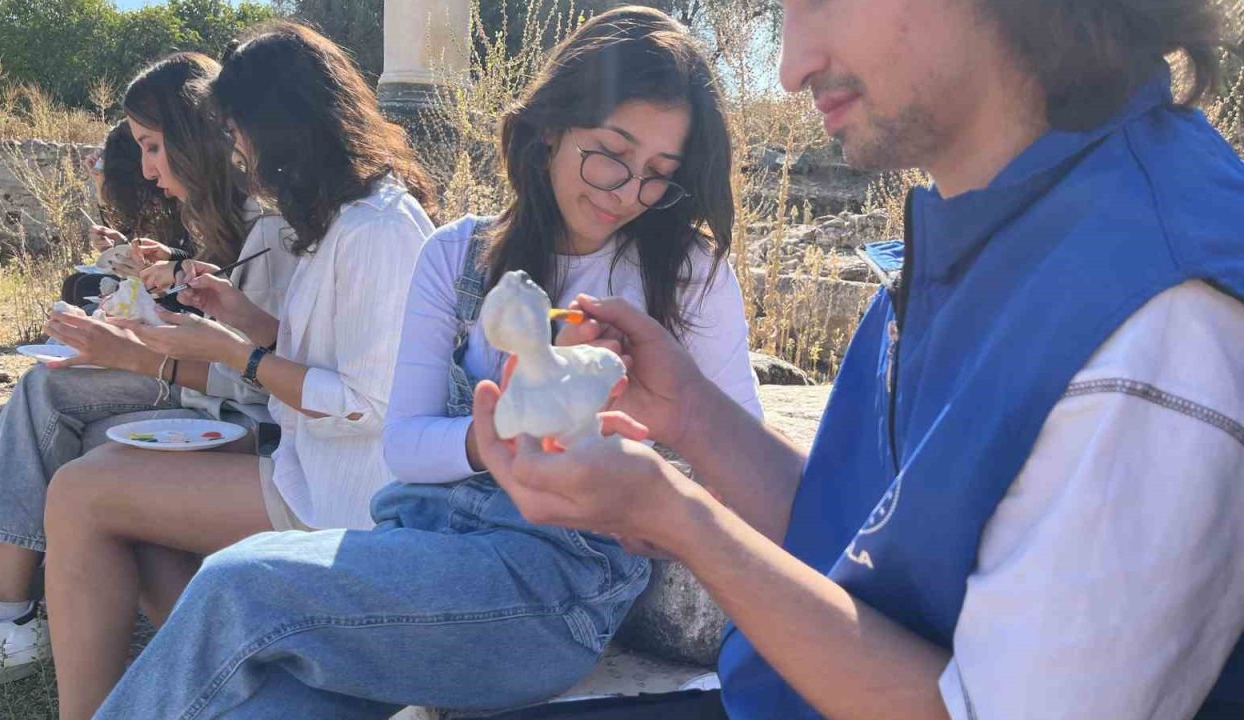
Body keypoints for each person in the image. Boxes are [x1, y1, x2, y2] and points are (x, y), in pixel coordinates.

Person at [465, 0, 1244, 718]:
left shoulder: (1160, 313)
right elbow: (862, 538)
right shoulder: (978, 232)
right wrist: (693, 414)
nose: (790, 66)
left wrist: (678, 516)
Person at [90, 8, 761, 718]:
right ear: (552, 125)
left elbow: (739, 450)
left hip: (547, 591)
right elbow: (404, 444)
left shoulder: (686, 271)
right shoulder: (458, 253)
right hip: (415, 548)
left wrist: (645, 482)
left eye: (659, 174)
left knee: (237, 582)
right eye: (611, 153)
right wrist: (494, 430)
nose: (627, 191)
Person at [41, 22, 436, 720]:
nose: (235, 149)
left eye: (238, 129)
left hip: (340, 500)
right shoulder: (337, 219)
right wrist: (244, 320)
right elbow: (331, 353)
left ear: (280, 126)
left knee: (80, 494)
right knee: (129, 516)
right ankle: (226, 688)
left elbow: (367, 403)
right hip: (307, 469)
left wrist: (236, 353)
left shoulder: (376, 229)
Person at [0, 52, 298, 696]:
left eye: (151, 146)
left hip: (252, 422)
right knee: (65, 407)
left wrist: (145, 350)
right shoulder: (242, 218)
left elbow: (266, 367)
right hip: (230, 398)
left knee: (53, 396)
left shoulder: (280, 226)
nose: (145, 168)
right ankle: (12, 606)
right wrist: (174, 271)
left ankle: (5, 608)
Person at [63, 120, 192, 308]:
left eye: (153, 148)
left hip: (180, 303)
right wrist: (120, 244)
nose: (150, 172)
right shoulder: (163, 200)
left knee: (84, 288)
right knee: (75, 285)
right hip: (164, 289)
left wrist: (155, 276)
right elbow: (138, 234)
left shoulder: (190, 203)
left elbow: (201, 277)